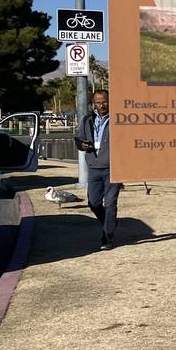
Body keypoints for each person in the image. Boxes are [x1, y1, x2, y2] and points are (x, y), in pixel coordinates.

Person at [74, 89, 122, 250]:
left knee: (110, 203)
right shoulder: (87, 119)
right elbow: (78, 138)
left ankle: (107, 238)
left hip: (113, 167)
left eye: (104, 102)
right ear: (93, 103)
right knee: (93, 203)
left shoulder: (118, 119)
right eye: (98, 102)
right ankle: (109, 223)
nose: (101, 105)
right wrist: (82, 144)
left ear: (110, 101)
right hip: (93, 166)